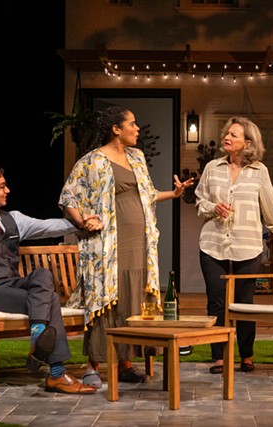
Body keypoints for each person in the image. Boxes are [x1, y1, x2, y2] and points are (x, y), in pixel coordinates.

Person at [59, 106, 194, 388]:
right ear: (116, 129)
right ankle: (94, 365)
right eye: (132, 124)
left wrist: (175, 193)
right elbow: (68, 197)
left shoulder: (137, 157)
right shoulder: (92, 161)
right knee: (106, 300)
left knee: (134, 298)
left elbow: (146, 195)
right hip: (107, 246)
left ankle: (126, 364)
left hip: (140, 243)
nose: (137, 129)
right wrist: (83, 221)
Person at [0, 165, 102, 394]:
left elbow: (48, 226)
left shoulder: (13, 219)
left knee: (42, 275)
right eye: (2, 186)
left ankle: (38, 339)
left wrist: (81, 222)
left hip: (12, 284)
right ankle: (56, 373)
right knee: (51, 299)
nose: (7, 190)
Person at [195, 116, 273, 374]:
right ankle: (219, 357)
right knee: (216, 302)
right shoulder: (212, 168)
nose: (227, 138)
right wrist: (212, 207)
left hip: (247, 244)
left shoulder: (259, 171)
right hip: (212, 244)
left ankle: (247, 355)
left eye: (234, 135)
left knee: (245, 301)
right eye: (227, 134)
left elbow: (270, 207)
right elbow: (199, 202)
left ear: (248, 143)